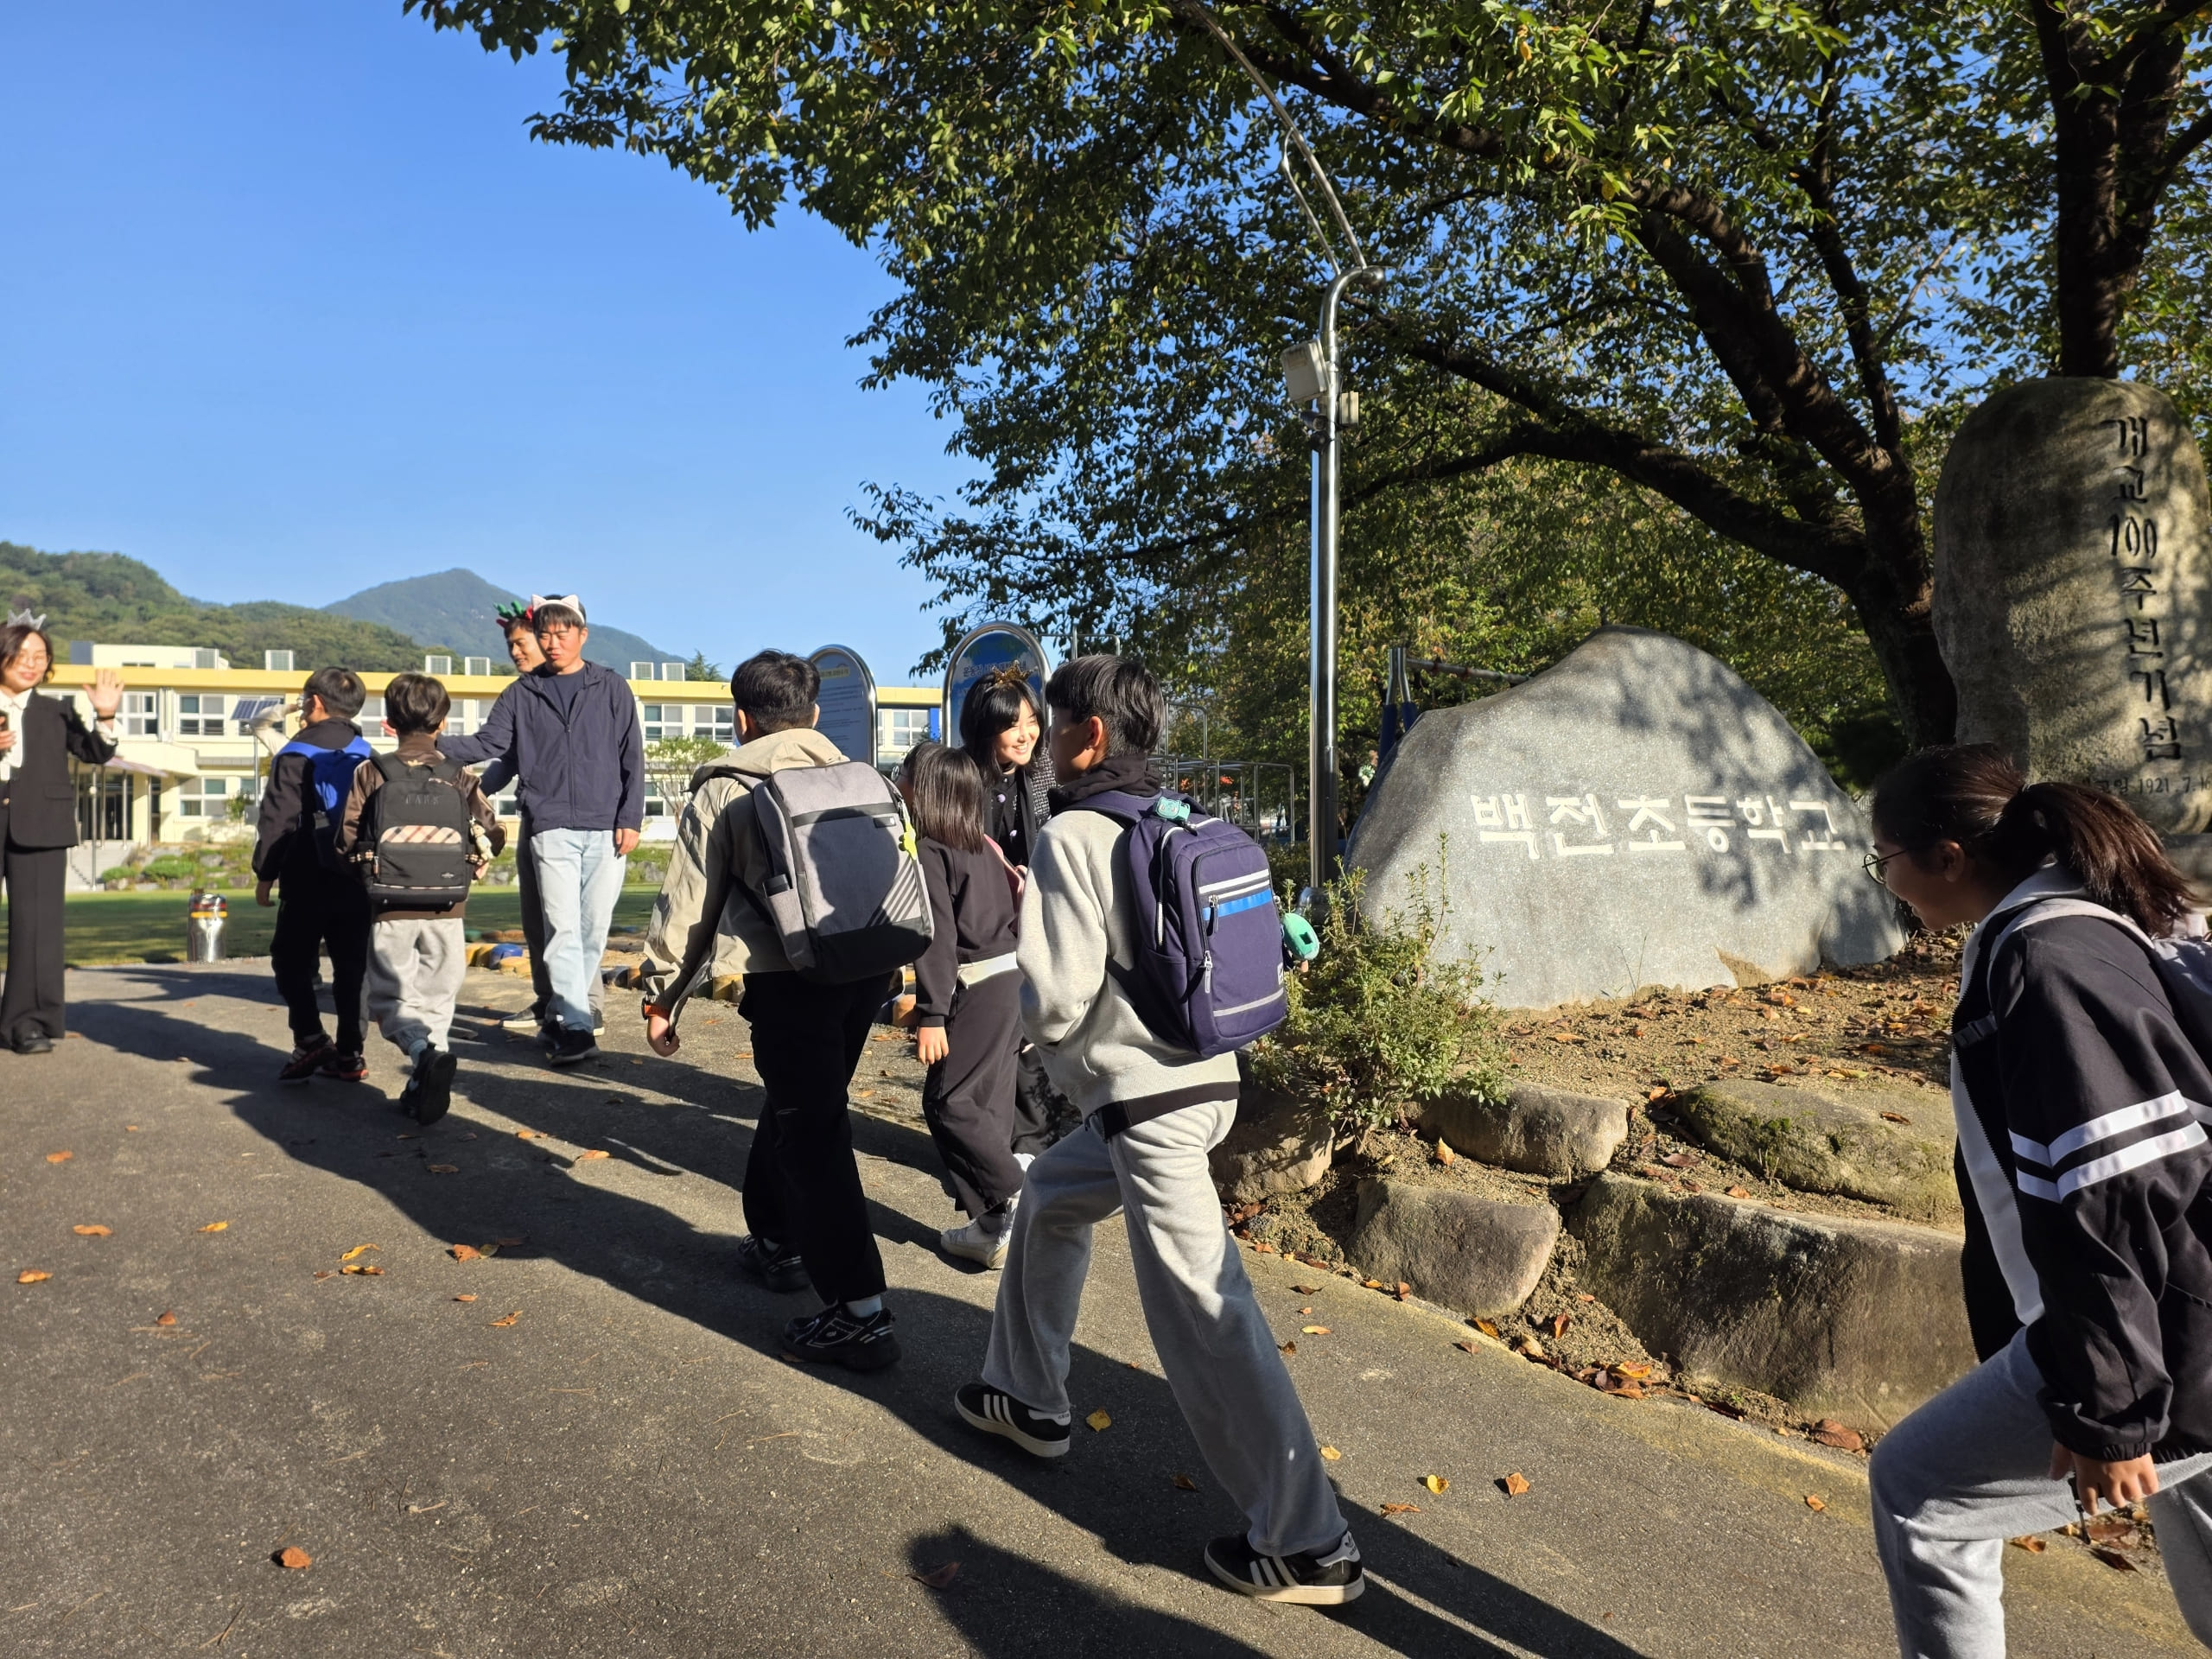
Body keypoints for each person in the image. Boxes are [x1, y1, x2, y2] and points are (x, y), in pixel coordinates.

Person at [953, 655, 1362, 1605]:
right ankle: (1024, 1395)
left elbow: (1054, 998)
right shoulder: (1173, 818)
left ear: (1087, 736)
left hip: (1147, 1109)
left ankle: (1308, 1542)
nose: (1045, 745)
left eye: (1054, 727)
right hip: (1209, 1079)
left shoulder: (1073, 835)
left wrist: (1018, 1022)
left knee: (1207, 1315)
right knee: (1051, 1194)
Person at [1864, 745, 2212, 1654]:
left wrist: (2111, 1406)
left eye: (1883, 861)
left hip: (2172, 1337)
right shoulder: (2136, 914)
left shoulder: (2045, 958)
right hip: (2194, 1318)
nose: (1887, 885)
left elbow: (2109, 1182)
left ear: (1945, 854)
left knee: (1924, 1494)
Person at [635, 650, 903, 1370]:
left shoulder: (728, 787)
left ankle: (860, 1311)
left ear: (741, 717)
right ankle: (779, 1238)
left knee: (812, 1132)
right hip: (866, 967)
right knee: (800, 1108)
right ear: (813, 714)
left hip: (786, 978)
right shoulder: (861, 774)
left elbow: (689, 904)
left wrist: (662, 996)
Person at [436, 594, 642, 1067]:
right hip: (550, 826)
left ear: (582, 635)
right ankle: (575, 1025)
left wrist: (630, 818)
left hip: (607, 826)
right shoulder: (521, 694)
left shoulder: (611, 687)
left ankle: (564, 1013)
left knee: (593, 931)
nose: (552, 642)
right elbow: (490, 744)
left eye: (562, 633)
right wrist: (430, 741)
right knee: (563, 928)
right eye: (545, 633)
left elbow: (633, 756)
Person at [337, 672, 505, 1124]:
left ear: (389, 723)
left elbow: (346, 840)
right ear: (443, 723)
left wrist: (367, 876)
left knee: (390, 1001)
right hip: (449, 908)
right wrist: (478, 858)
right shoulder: (460, 777)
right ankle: (428, 1073)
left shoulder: (371, 773)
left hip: (389, 907)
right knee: (439, 1000)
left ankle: (420, 1054)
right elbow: (494, 830)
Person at [899, 741, 1025, 1268]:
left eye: (905, 774)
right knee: (989, 1104)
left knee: (949, 1103)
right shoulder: (982, 844)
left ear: (925, 791)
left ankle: (1016, 1199)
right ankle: (992, 1225)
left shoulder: (930, 851)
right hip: (1013, 981)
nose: (898, 782)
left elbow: (937, 939)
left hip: (977, 986)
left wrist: (931, 1014)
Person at [958, 664, 1072, 1158]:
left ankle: (1032, 1143)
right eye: (1012, 725)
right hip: (980, 929)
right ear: (985, 729)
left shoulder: (1041, 773)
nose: (1026, 734)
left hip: (1034, 921)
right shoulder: (959, 777)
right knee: (989, 1040)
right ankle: (990, 1145)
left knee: (1034, 1031)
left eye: (1032, 720)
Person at [481, 601, 603, 1039]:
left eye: (520, 642)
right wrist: (476, 790)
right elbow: (507, 756)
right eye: (510, 645)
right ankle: (548, 999)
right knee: (538, 918)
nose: (516, 652)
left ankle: (585, 1005)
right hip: (537, 816)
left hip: (585, 819)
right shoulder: (524, 693)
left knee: (576, 921)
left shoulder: (591, 687)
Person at [0, 614, 121, 1054]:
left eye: (41, 657)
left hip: (42, 825)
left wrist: (105, 714)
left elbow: (95, 753)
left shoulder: (56, 711)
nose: (31, 664)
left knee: (38, 932)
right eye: (22, 655)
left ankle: (27, 1024)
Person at [253, 666, 375, 1084]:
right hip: (357, 875)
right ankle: (350, 1053)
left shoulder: (294, 753)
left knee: (290, 960)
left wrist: (265, 874)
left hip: (306, 872)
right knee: (351, 966)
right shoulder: (368, 752)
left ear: (316, 703)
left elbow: (277, 821)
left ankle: (309, 1037)